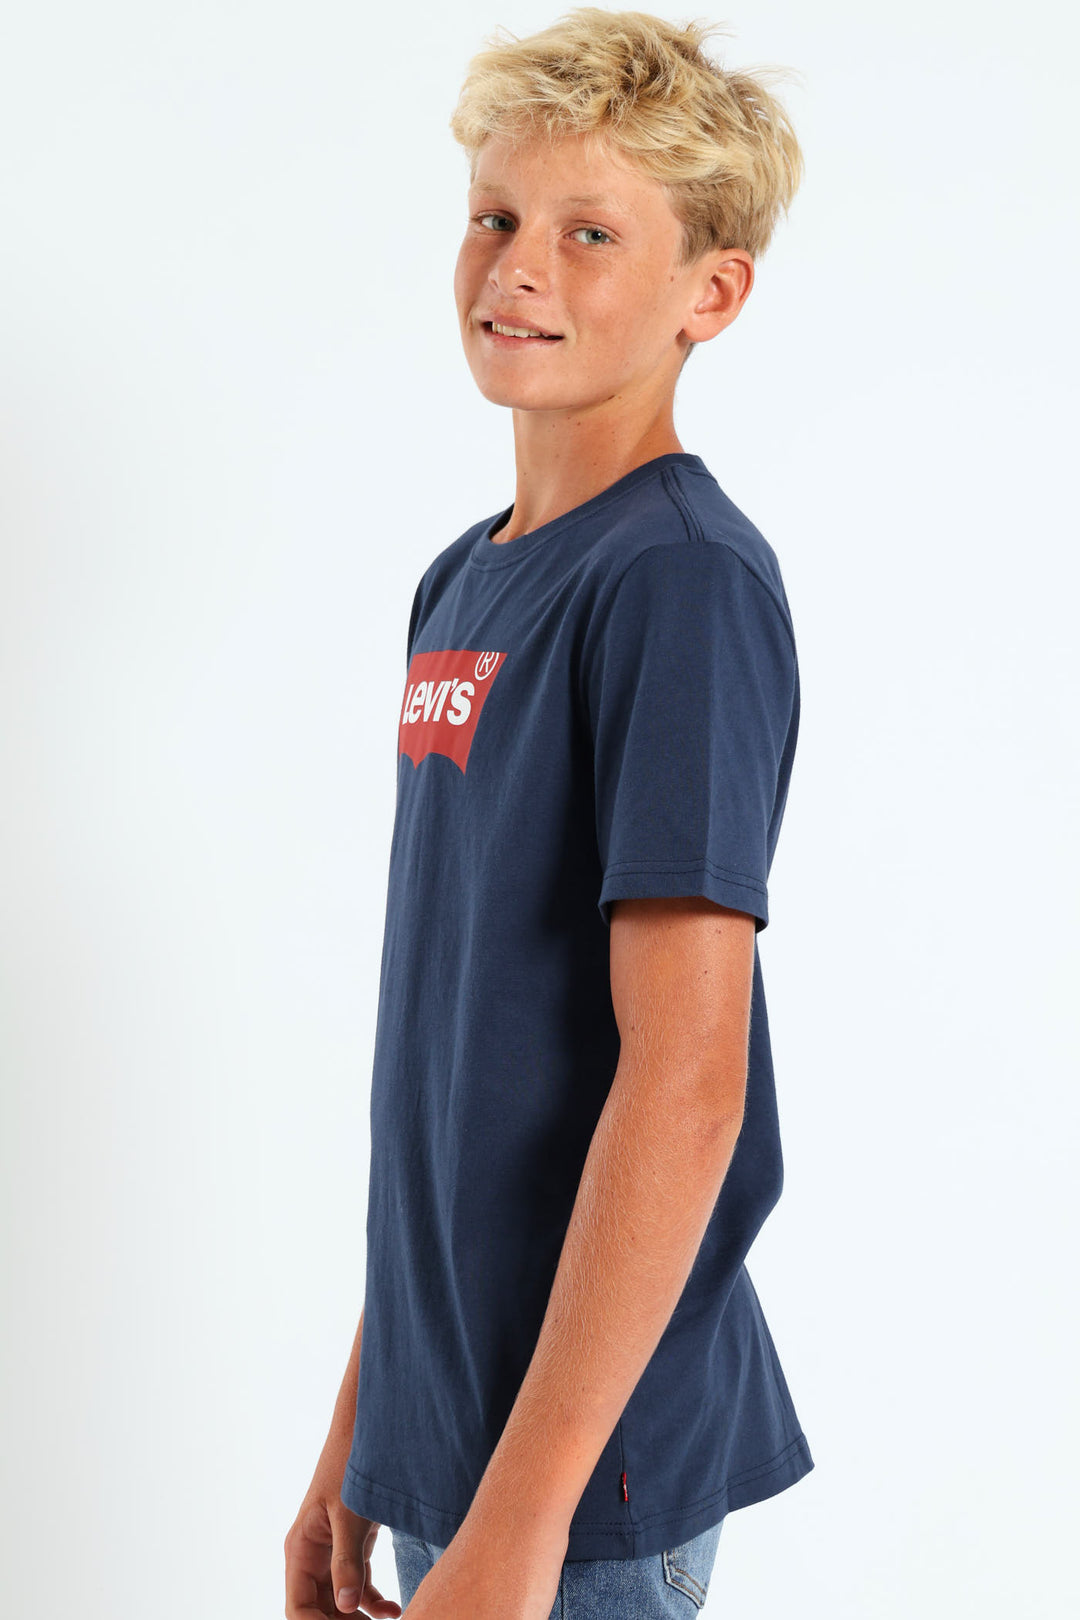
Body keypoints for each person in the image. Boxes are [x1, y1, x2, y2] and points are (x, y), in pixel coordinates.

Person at [283, 10, 813, 1618]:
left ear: (710, 293)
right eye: (496, 216)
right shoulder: (465, 582)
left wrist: (524, 1522)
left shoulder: (680, 585)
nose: (517, 268)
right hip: (460, 1453)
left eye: (592, 234)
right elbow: (456, 1084)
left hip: (578, 1495)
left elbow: (688, 1088)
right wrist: (362, 1445)